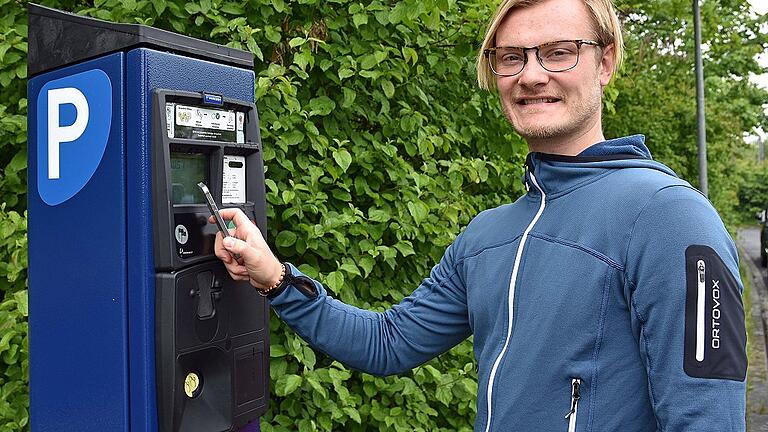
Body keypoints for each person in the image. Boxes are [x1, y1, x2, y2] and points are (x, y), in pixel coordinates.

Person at [212, 0, 748, 430]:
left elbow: (706, 416)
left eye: (560, 51)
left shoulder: (670, 216)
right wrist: (277, 279)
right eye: (512, 58)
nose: (531, 75)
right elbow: (387, 343)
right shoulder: (489, 235)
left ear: (605, 62)